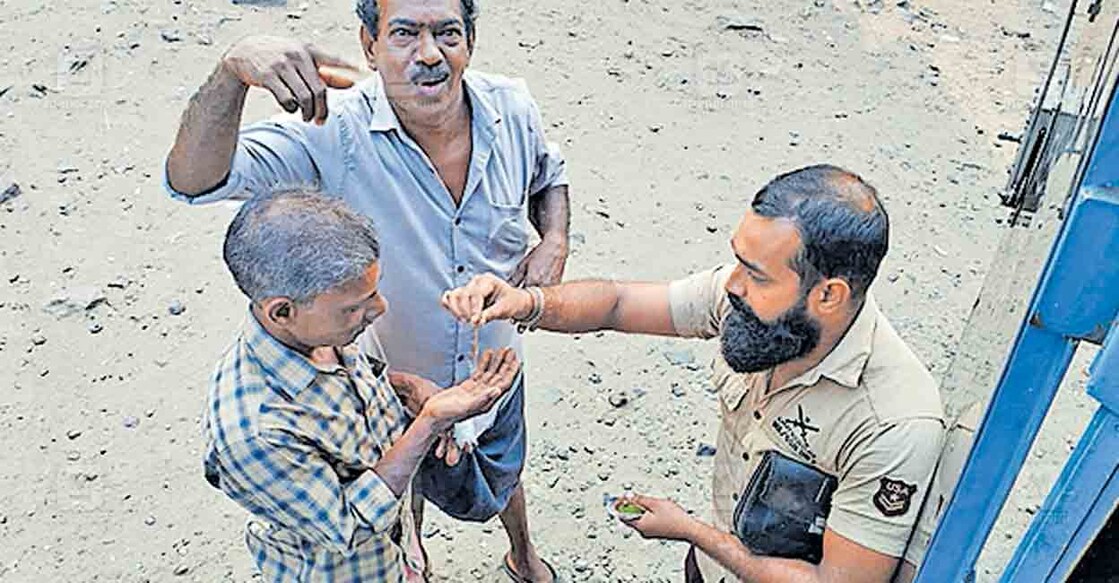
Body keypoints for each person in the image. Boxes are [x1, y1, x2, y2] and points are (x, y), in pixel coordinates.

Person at [162, 0, 569, 579]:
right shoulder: (330, 132)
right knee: (405, 476)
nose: (429, 54)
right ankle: (414, 551)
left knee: (505, 471)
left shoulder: (512, 106)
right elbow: (193, 181)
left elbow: (549, 176)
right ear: (368, 44)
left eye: (447, 32)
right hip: (394, 378)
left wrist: (553, 239)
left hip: (496, 358)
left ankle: (522, 552)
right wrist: (233, 71)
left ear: (470, 42)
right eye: (404, 32)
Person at [443, 165, 947, 582]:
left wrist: (691, 531)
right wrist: (526, 302)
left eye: (756, 275)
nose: (730, 285)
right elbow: (618, 303)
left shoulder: (893, 424)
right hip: (712, 568)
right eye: (738, 261)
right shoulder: (748, 300)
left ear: (829, 296)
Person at [204, 190, 520, 581]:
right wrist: (429, 424)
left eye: (374, 291)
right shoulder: (254, 433)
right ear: (281, 311)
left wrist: (399, 389)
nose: (380, 309)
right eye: (355, 306)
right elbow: (349, 526)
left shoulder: (318, 336)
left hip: (396, 556)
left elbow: (350, 392)